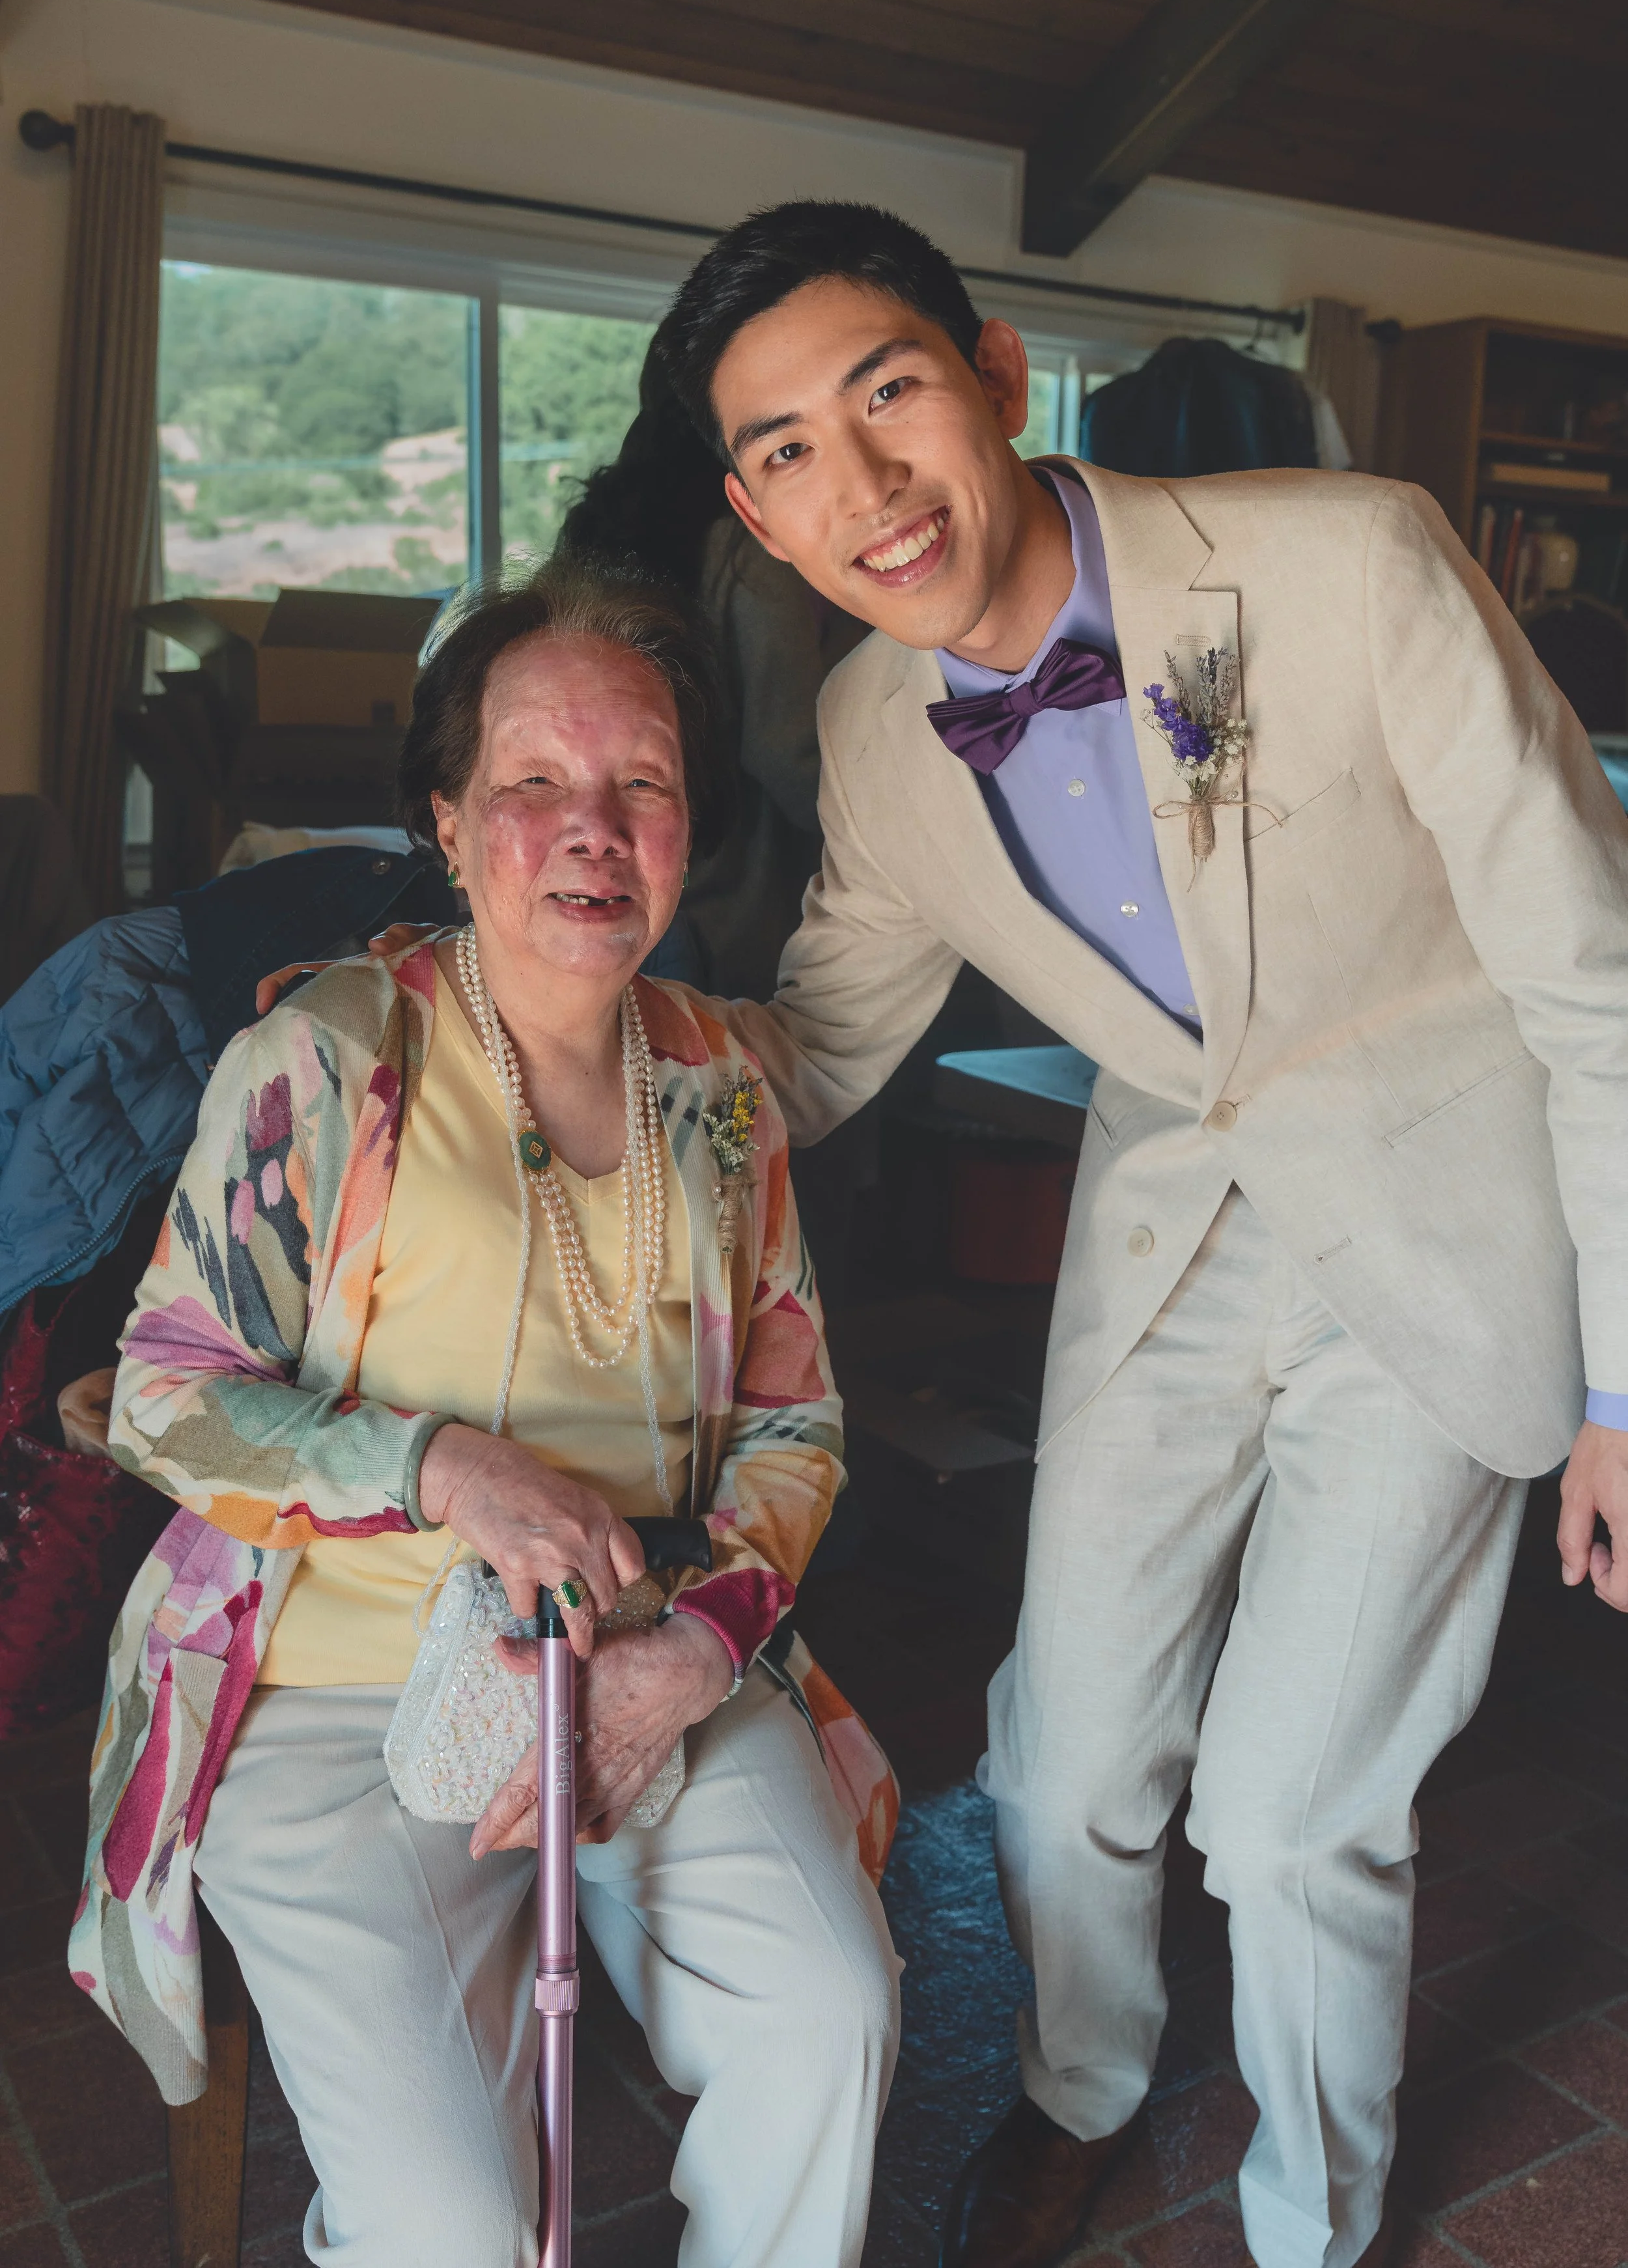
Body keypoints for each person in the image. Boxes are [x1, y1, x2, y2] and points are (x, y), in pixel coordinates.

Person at [653, 201, 1628, 2268]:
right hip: (1171, 1233)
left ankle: (1310, 2215)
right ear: (753, 514)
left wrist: (1627, 1378)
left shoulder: (1345, 558)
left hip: (1446, 1230)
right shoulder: (864, 730)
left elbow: (1594, 975)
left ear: (996, 378)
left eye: (886, 392)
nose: (862, 485)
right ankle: (1076, 2085)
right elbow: (818, 1040)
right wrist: (539, 1031)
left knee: (1285, 1813)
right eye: (785, 453)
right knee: (1064, 1748)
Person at [71, 560, 901, 2268]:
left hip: (648, 1642)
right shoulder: (329, 1055)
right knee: (448, 2223)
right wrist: (445, 1462)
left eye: (642, 784)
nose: (592, 826)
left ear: (687, 827)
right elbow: (163, 1389)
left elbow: (795, 1425)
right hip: (334, 1682)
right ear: (448, 824)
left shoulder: (722, 1090)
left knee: (827, 2016)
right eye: (532, 783)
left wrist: (695, 1649)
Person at [556, 336, 867, 1001]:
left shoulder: (590, 531)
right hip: (726, 905)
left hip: (600, 879)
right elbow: (787, 750)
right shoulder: (740, 544)